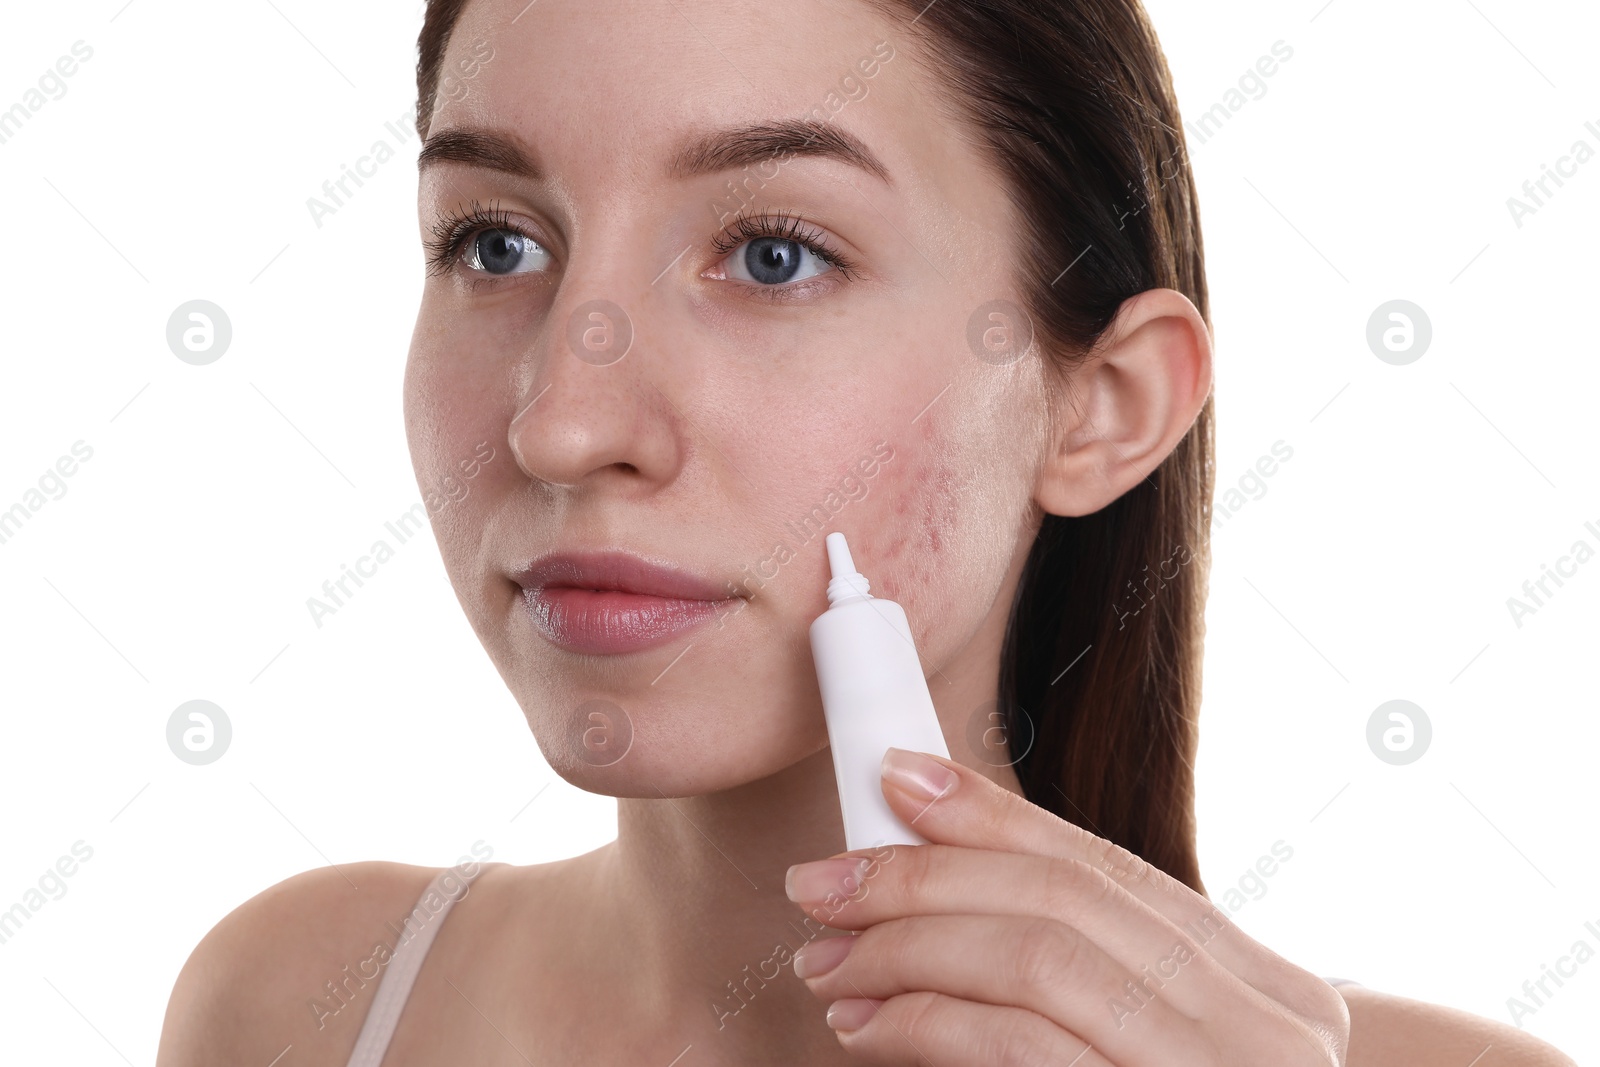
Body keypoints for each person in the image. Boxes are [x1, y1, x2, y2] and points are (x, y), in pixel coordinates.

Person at [156, 0, 1578, 1063]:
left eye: (777, 254)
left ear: (1103, 409)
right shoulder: (293, 1006)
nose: (563, 425)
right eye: (494, 242)